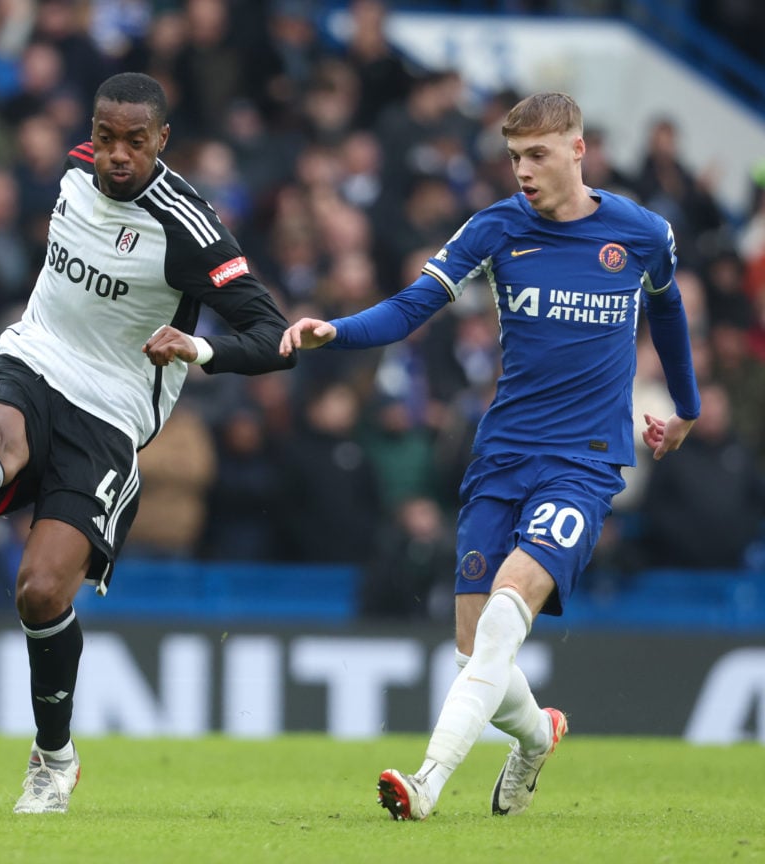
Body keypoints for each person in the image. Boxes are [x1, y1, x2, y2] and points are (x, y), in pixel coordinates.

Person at [279, 92, 701, 821]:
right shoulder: (497, 228)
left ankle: (427, 783)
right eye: (513, 157)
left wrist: (686, 408)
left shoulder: (641, 233)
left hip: (586, 461)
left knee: (507, 617)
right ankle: (536, 736)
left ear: (578, 149)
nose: (522, 172)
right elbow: (413, 305)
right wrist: (335, 332)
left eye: (537, 155)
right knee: (473, 651)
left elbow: (666, 309)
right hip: (502, 456)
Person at [0, 72, 295, 814]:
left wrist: (198, 349)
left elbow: (275, 339)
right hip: (33, 358)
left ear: (162, 141)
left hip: (110, 412)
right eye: (105, 137)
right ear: (90, 133)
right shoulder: (68, 171)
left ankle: (53, 758)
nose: (116, 155)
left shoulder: (190, 229)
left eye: (134, 141)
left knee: (39, 592)